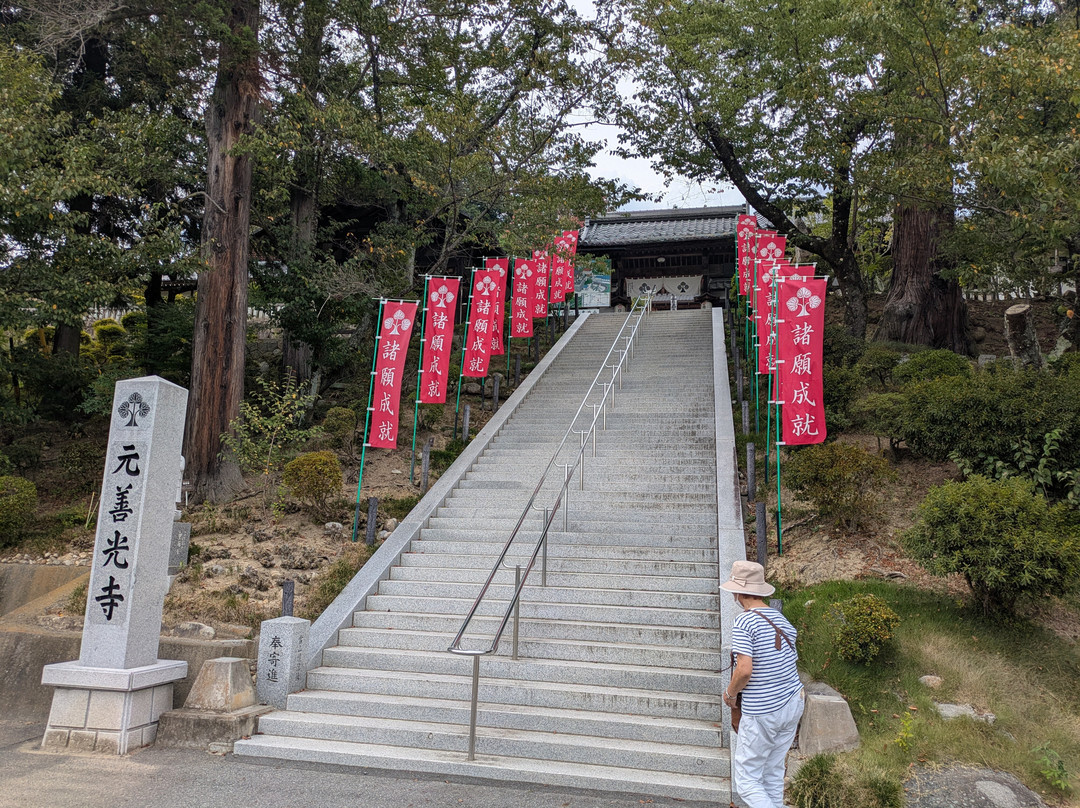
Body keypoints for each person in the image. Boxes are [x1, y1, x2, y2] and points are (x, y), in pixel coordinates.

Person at [720, 560, 804, 808]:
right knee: (772, 771)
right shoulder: (781, 620)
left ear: (738, 592)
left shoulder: (745, 621)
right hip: (792, 701)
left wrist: (730, 694)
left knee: (747, 781)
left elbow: (744, 670)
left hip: (764, 709)